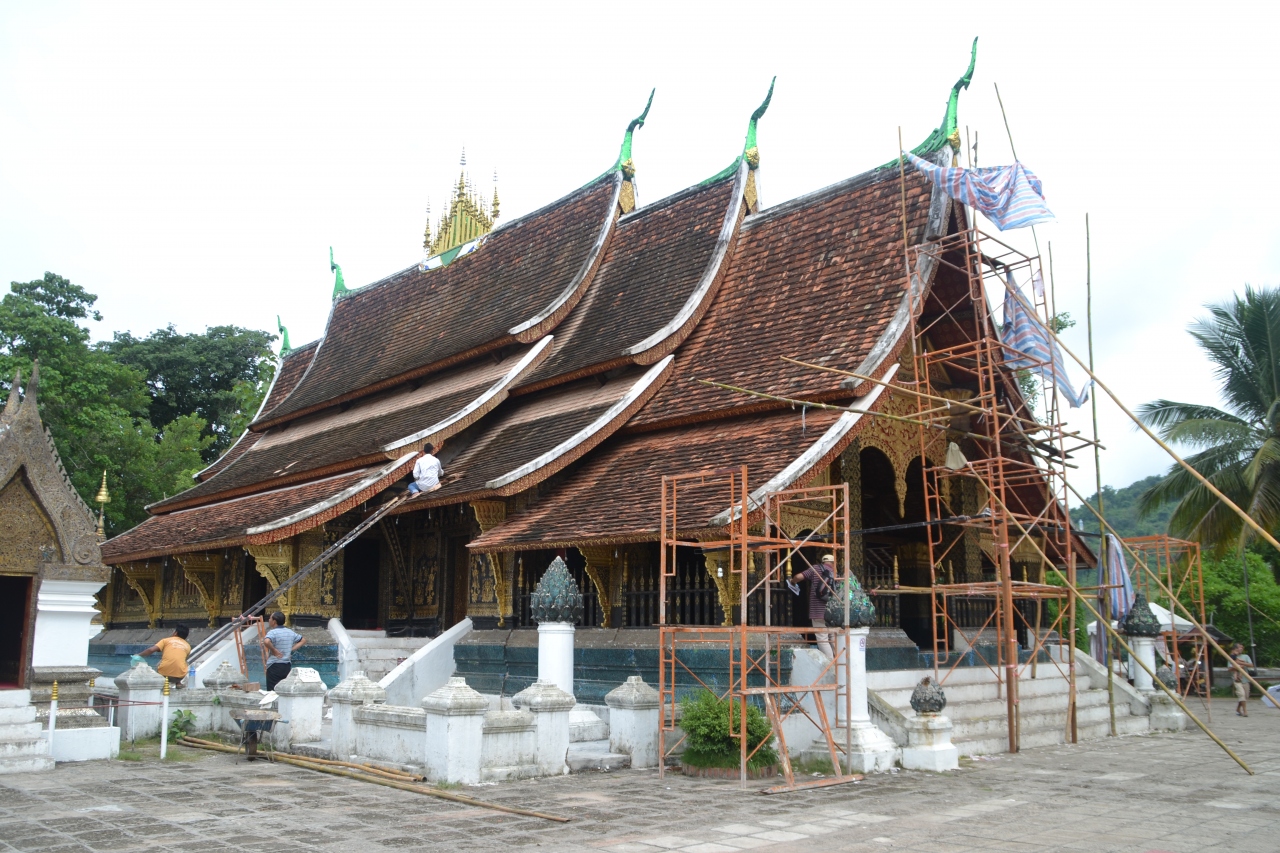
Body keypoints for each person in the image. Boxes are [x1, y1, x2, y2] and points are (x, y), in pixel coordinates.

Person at [791, 554, 837, 659]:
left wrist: (792, 581)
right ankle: (839, 662)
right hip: (832, 612)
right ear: (833, 563)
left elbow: (799, 577)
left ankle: (830, 663)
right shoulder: (835, 573)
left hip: (818, 612)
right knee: (833, 637)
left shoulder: (815, 568)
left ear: (823, 561)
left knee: (822, 638)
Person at [258, 611, 305, 691]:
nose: (269, 620)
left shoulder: (273, 632)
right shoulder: (290, 632)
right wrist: (291, 649)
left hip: (274, 665)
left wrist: (273, 650)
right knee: (283, 690)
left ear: (274, 621)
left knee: (272, 691)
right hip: (286, 666)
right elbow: (303, 640)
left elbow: (266, 641)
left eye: (270, 618)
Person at [1230, 643, 1253, 717]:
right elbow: (1229, 668)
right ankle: (1245, 711)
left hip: (1245, 679)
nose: (1241, 649)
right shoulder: (1231, 656)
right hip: (1237, 680)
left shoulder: (1245, 656)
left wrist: (1242, 664)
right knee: (1241, 695)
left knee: (1245, 696)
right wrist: (1237, 667)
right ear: (1235, 649)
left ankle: (1238, 709)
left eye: (1242, 647)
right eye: (1239, 647)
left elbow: (1251, 665)